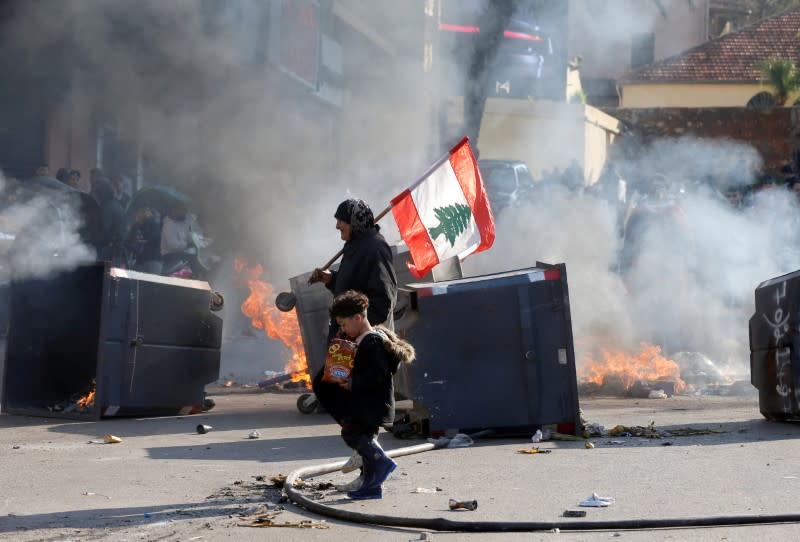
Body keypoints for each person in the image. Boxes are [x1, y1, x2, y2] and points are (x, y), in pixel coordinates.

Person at [309, 198, 398, 491]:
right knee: (326, 385)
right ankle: (364, 452)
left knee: (360, 403)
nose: (337, 226)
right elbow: (351, 285)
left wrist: (359, 331)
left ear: (355, 221)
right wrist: (329, 279)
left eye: (341, 221)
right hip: (346, 337)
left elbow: (383, 298)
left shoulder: (375, 248)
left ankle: (369, 464)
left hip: (362, 340)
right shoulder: (356, 246)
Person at [326, 290, 414, 500]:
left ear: (358, 318)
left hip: (371, 403)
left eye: (344, 324)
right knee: (361, 437)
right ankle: (372, 486)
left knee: (353, 434)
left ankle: (382, 462)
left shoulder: (372, 341)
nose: (343, 329)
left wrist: (353, 382)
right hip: (368, 402)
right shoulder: (365, 339)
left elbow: (378, 373)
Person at [125, 207, 162, 273]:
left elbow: (132, 241)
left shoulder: (150, 226)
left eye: (143, 212)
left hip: (150, 262)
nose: (138, 215)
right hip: (147, 262)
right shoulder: (155, 226)